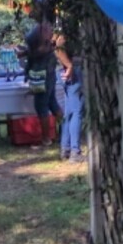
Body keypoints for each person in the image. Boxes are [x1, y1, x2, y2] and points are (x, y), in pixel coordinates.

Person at [55, 32, 84, 161]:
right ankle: (75, 151)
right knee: (77, 112)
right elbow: (59, 47)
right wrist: (70, 65)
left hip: (62, 70)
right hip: (70, 71)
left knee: (69, 112)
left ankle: (65, 149)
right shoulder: (63, 27)